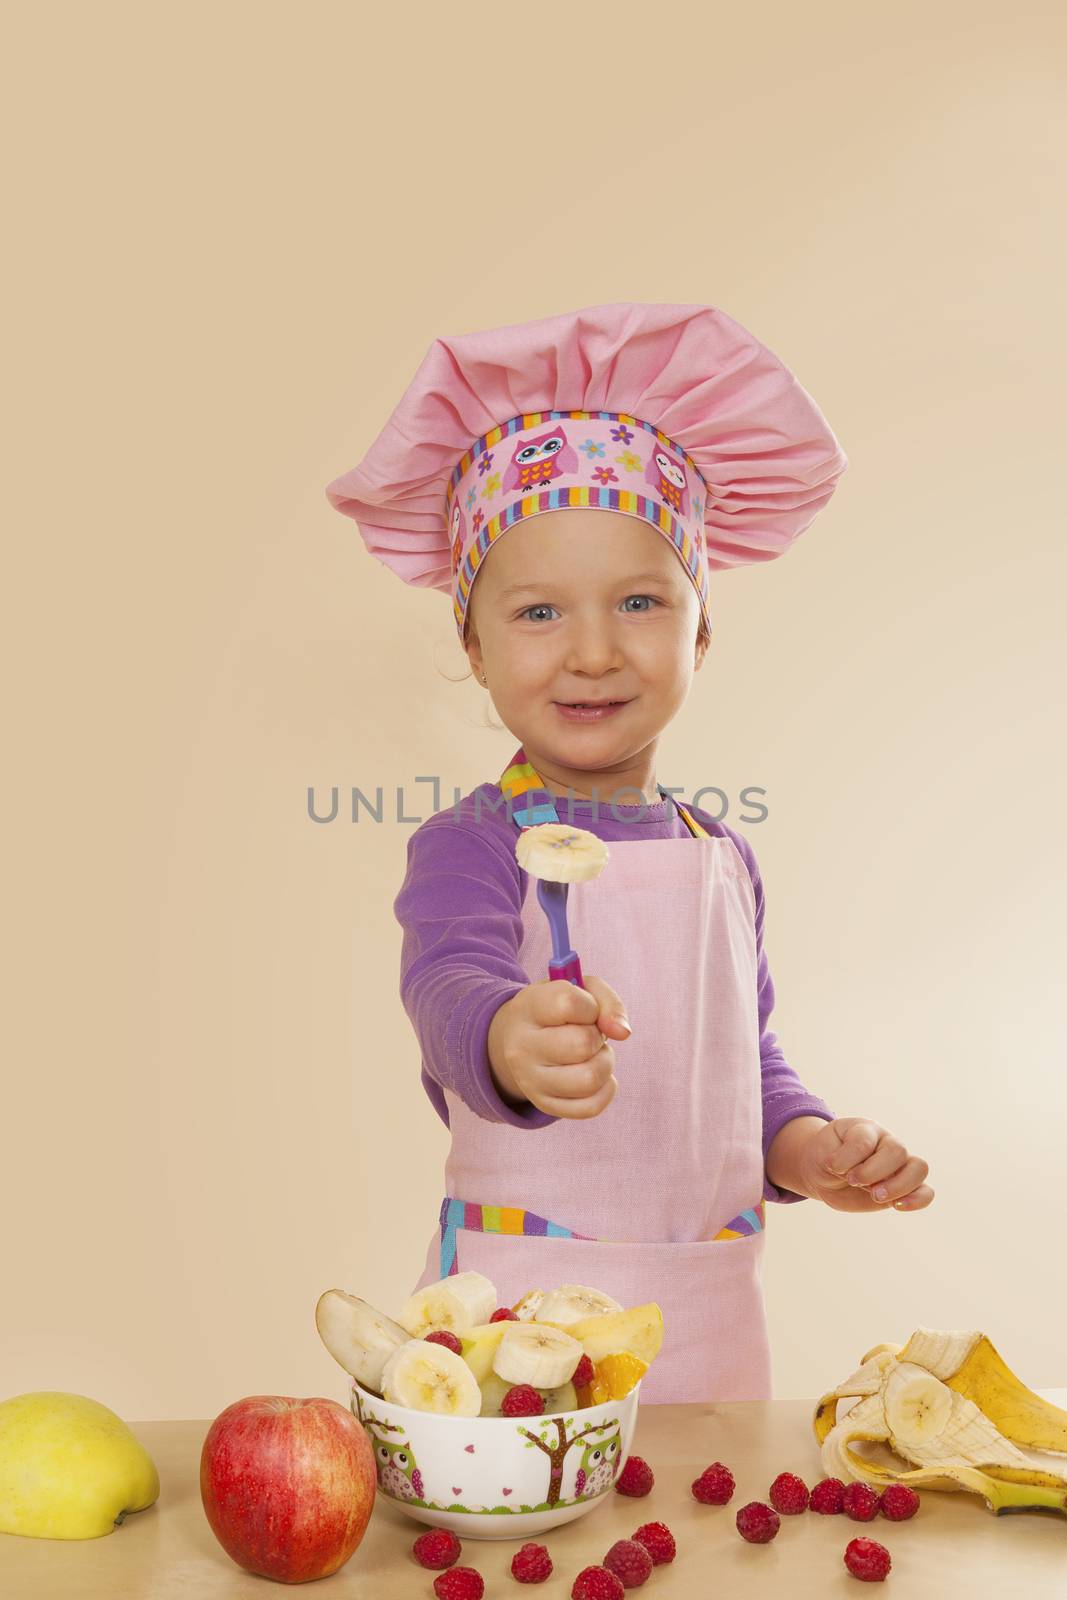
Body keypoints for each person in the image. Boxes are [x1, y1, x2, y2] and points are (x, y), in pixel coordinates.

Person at [325, 301, 934, 1404]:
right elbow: (446, 986)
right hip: (513, 1339)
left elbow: (742, 1068)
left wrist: (809, 1149)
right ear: (471, 639)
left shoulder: (723, 858)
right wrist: (506, 1038)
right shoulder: (469, 843)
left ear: (700, 631)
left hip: (706, 1332)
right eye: (539, 611)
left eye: (641, 601)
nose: (594, 650)